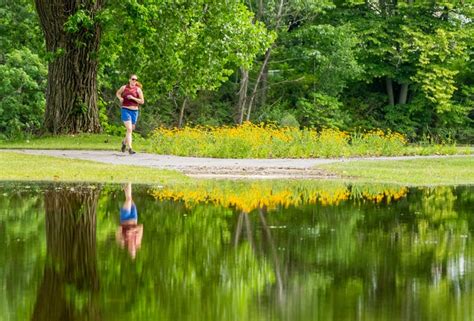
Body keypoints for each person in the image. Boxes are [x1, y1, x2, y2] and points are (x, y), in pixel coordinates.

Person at [116, 74, 144, 155]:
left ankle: (124, 143)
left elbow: (142, 101)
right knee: (129, 129)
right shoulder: (124, 87)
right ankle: (130, 148)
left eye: (135, 79)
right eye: (132, 79)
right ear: (129, 80)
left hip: (134, 111)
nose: (134, 81)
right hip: (125, 110)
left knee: (131, 129)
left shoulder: (138, 90)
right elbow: (118, 93)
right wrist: (120, 98)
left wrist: (133, 98)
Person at [116, 183, 143, 259]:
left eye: (130, 249)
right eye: (133, 249)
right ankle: (125, 183)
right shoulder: (137, 241)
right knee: (129, 198)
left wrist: (120, 235)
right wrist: (133, 230)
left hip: (125, 218)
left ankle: (128, 181)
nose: (132, 248)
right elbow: (141, 227)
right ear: (135, 249)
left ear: (128, 249)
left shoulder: (124, 242)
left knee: (128, 200)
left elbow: (117, 231)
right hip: (134, 217)